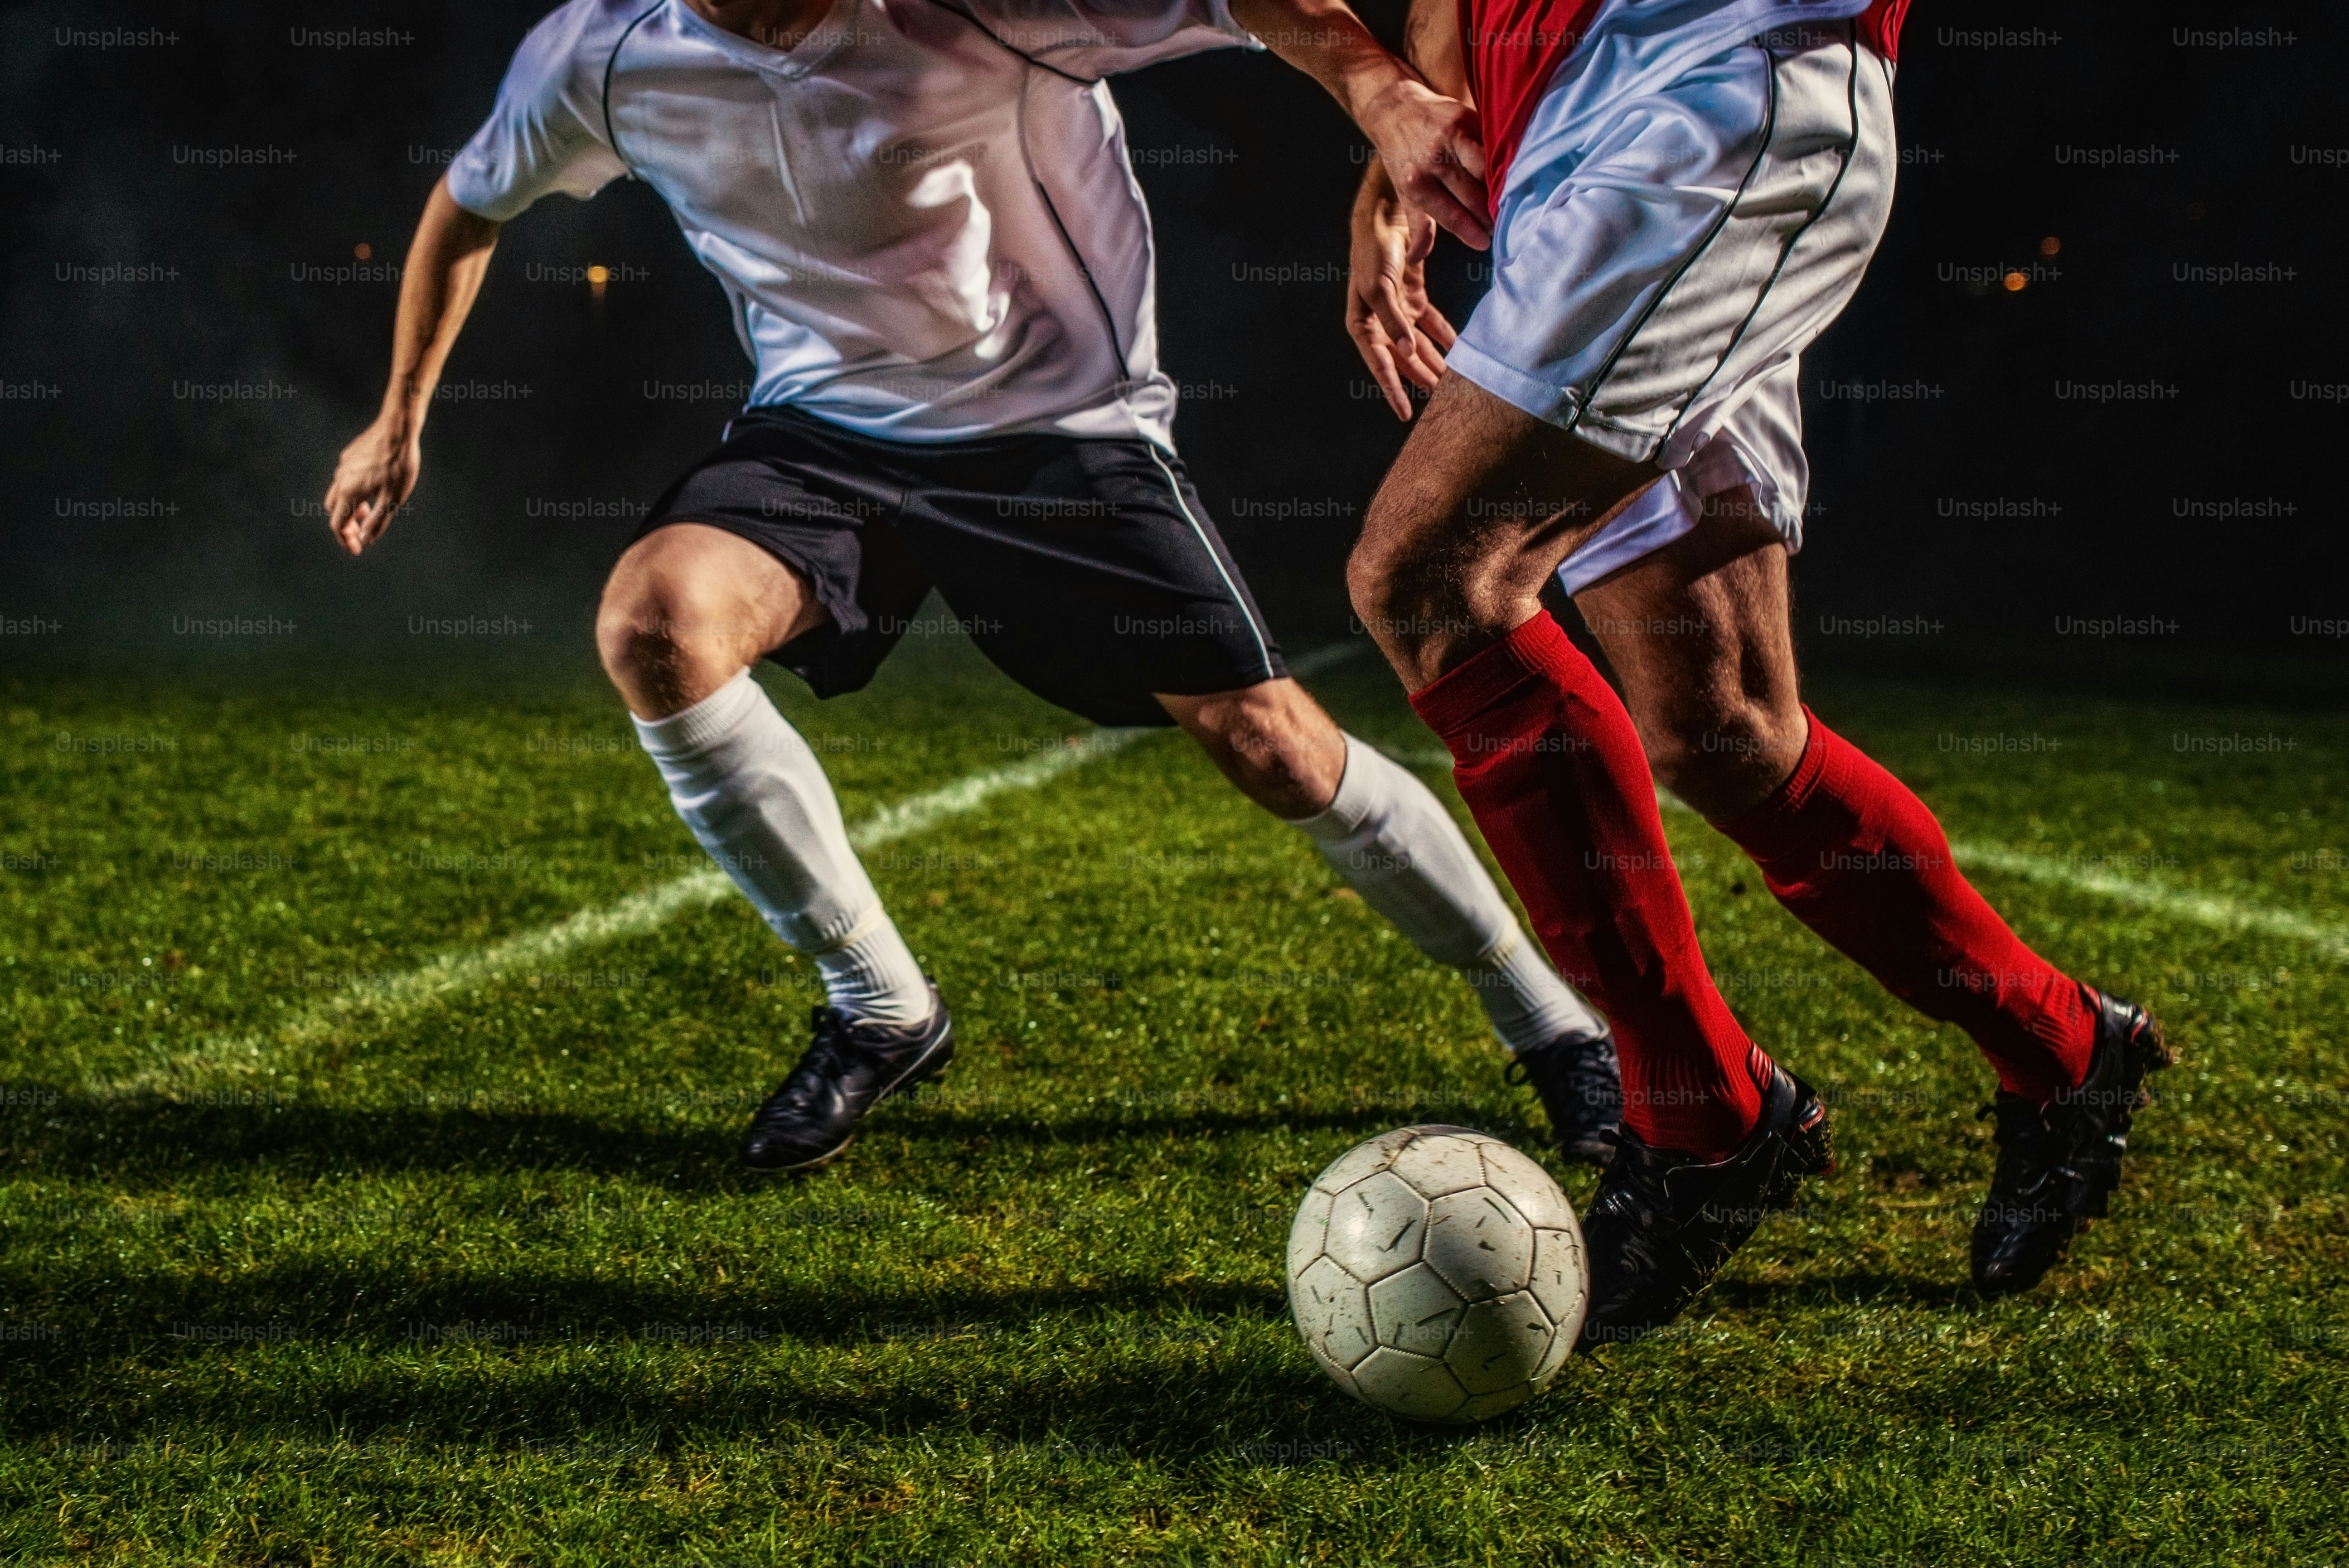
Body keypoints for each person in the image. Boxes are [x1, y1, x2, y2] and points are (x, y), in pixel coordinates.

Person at [322, 0, 1624, 1173]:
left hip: (1060, 431)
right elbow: (468, 201)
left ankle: (1554, 1021)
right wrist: (397, 417)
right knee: (653, 622)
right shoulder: (600, 55)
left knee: (1272, 744)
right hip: (822, 433)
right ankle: (880, 1005)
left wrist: (1384, 96)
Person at [1339, 0, 2171, 1340]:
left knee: (1432, 581)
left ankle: (1702, 1118)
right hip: (1564, 144)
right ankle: (2065, 1048)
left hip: (1713, 85)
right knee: (1723, 724)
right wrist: (1391, 168)